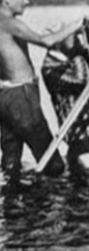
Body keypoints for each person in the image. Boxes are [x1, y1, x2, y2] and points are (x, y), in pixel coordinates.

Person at [0, 0, 85, 177]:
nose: (27, 2)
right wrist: (77, 24)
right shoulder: (10, 24)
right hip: (22, 99)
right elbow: (47, 41)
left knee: (10, 164)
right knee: (53, 164)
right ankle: (47, 197)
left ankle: (13, 196)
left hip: (4, 97)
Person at [41, 30, 89, 176]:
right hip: (76, 132)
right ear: (57, 41)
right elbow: (79, 81)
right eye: (70, 34)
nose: (75, 37)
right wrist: (78, 53)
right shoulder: (49, 69)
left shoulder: (69, 57)